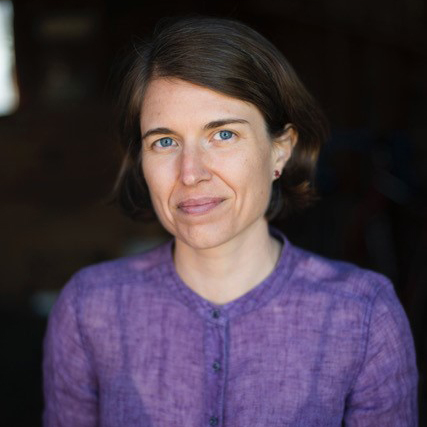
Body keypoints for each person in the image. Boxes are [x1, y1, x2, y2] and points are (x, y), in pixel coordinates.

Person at [43, 16, 418, 426]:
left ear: (280, 150)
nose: (190, 173)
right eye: (165, 141)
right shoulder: (90, 309)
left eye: (223, 134)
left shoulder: (362, 316)